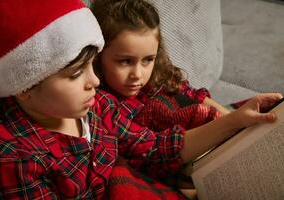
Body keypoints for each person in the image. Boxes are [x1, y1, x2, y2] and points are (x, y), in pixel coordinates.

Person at [0, 1, 281, 200]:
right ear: (24, 86)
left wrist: (235, 121)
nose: (95, 81)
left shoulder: (95, 106)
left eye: (92, 65)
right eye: (76, 74)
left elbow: (154, 148)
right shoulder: (14, 159)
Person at [91, 0, 283, 194]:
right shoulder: (100, 105)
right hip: (163, 162)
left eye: (148, 59)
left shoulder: (156, 74)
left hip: (199, 145)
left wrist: (238, 125)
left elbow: (188, 93)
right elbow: (154, 149)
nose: (138, 74)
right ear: (98, 57)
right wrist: (235, 122)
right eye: (125, 61)